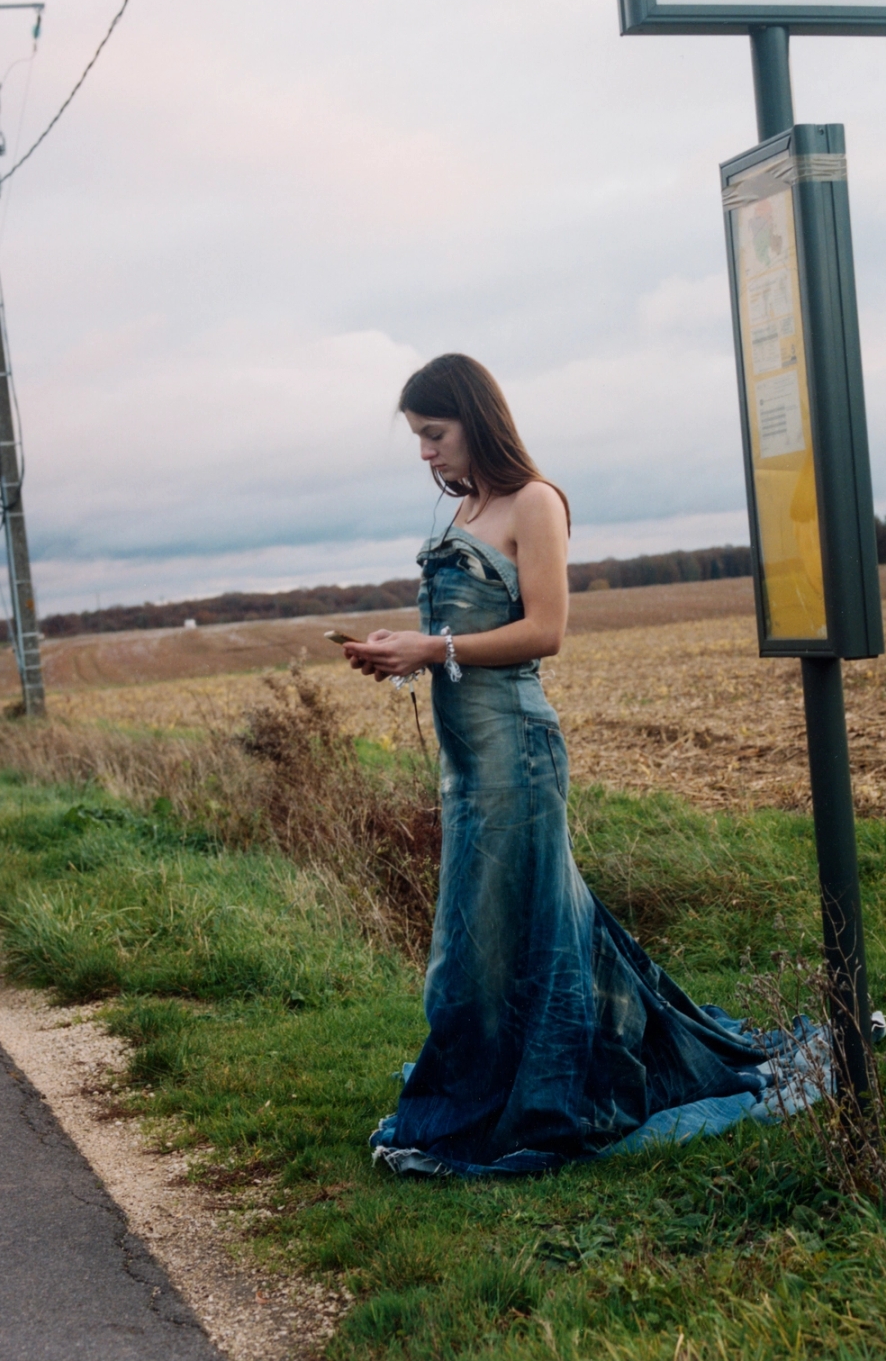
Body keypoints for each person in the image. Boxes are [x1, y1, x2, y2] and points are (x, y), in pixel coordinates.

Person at [346, 354, 823, 1177]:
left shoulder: (536, 503)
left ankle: (552, 1085)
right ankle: (496, 1075)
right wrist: (406, 650)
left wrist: (434, 647)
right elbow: (463, 632)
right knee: (480, 935)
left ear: (474, 418)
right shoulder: (465, 514)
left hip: (519, 754)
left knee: (523, 929)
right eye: (419, 440)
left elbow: (546, 631)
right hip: (469, 765)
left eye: (434, 434)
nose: (425, 454)